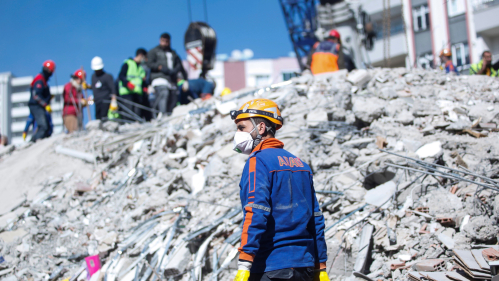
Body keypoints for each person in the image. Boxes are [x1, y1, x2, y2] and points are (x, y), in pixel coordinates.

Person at [230, 99, 329, 281]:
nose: (237, 134)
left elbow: (256, 211)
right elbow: (316, 218)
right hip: (304, 267)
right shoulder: (301, 165)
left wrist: (244, 263)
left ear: (260, 128)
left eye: (241, 128)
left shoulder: (258, 161)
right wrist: (320, 267)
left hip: (271, 267)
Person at [147, 33, 188, 115]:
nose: (165, 43)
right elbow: (149, 63)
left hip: (171, 80)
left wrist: (185, 80)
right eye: (163, 41)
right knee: (163, 93)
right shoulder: (154, 51)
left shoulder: (174, 54)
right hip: (159, 78)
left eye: (167, 41)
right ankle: (162, 115)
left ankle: (169, 116)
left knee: (173, 97)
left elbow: (180, 67)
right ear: (160, 40)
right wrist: (160, 67)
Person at [28, 60, 55, 142]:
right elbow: (36, 95)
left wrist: (48, 97)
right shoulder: (40, 79)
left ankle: (41, 143)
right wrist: (45, 104)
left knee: (48, 128)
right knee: (43, 126)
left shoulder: (43, 80)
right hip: (36, 106)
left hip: (40, 106)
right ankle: (33, 143)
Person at [118, 48, 148, 121]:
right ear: (141, 55)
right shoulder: (128, 63)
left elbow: (142, 81)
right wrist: (127, 83)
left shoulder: (141, 69)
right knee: (128, 111)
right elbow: (121, 76)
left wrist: (144, 88)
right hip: (127, 92)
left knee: (137, 113)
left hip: (137, 94)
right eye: (145, 57)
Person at [90, 56, 116, 120]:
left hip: (106, 100)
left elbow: (113, 89)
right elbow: (95, 87)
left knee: (104, 117)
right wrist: (88, 87)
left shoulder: (107, 76)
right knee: (98, 117)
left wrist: (114, 100)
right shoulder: (93, 77)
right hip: (97, 101)